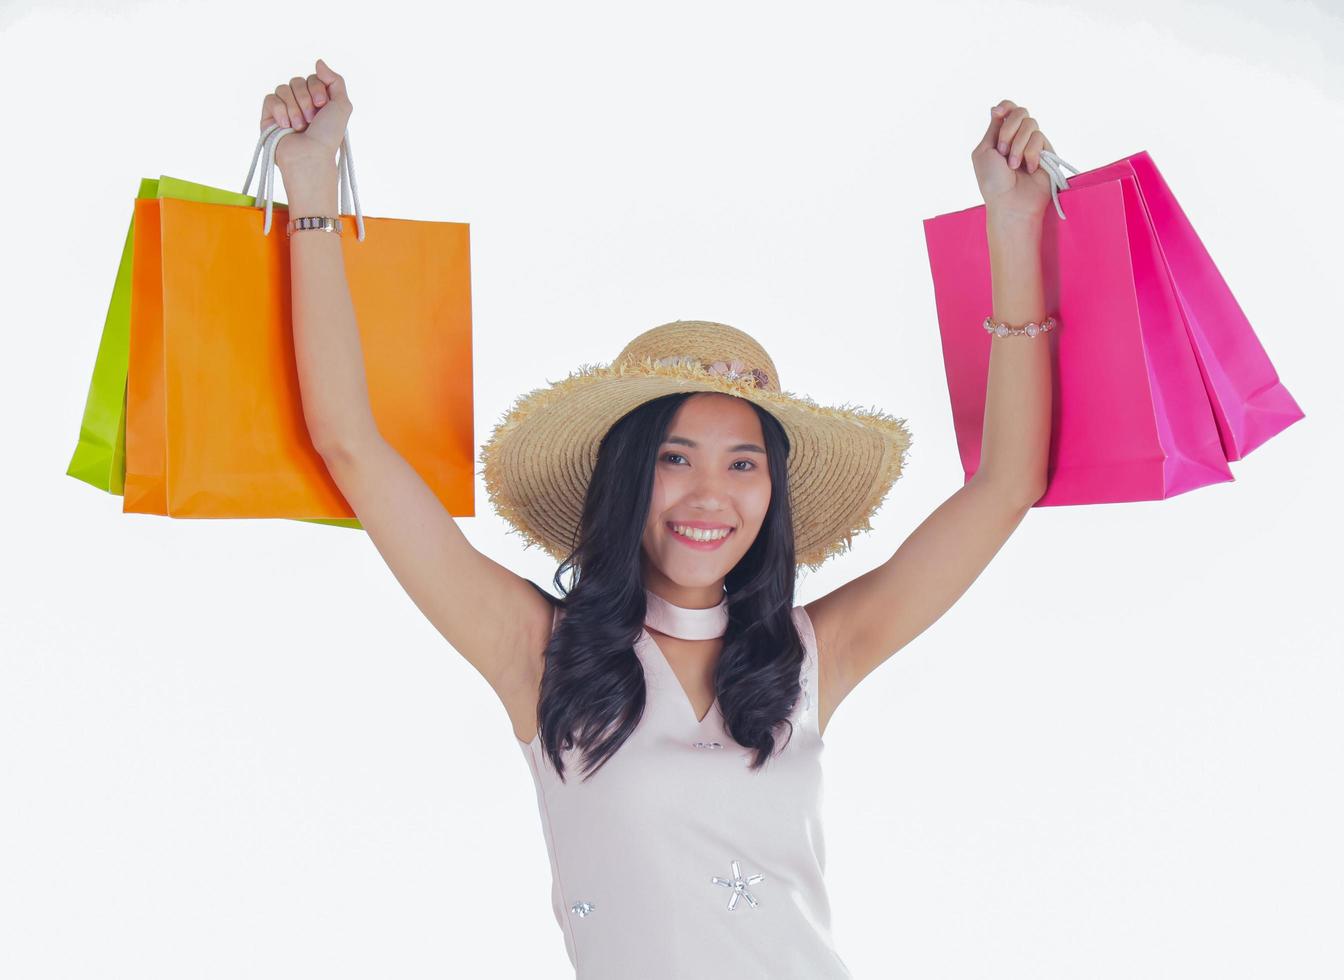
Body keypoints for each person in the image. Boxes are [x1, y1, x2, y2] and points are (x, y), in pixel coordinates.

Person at [261, 59, 1056, 979]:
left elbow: (1006, 485)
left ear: (772, 493)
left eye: (743, 463)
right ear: (629, 480)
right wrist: (311, 186)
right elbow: (351, 445)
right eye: (674, 459)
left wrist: (1015, 219)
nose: (708, 496)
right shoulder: (537, 652)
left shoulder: (810, 656)